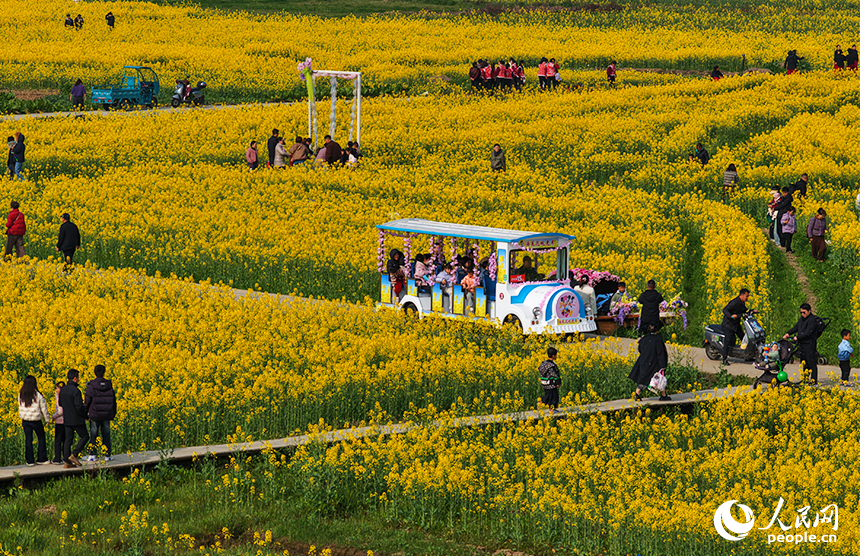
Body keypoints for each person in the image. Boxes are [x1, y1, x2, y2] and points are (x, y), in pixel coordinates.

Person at [628, 322, 671, 401]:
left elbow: (640, 349)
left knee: (642, 378)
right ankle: (663, 395)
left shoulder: (643, 339)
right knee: (659, 379)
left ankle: (637, 393)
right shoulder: (658, 339)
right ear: (656, 330)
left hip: (644, 361)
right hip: (654, 362)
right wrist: (663, 365)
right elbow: (661, 353)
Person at [84, 365, 116, 462]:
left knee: (94, 433)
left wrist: (85, 413)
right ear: (104, 373)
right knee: (106, 433)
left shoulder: (91, 386)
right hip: (106, 414)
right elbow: (113, 401)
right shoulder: (109, 385)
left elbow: (87, 400)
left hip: (94, 414)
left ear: (94, 373)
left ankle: (92, 455)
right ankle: (107, 455)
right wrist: (113, 413)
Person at [784, 303, 821, 383]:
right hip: (802, 344)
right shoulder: (802, 319)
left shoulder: (812, 320)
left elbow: (808, 333)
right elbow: (796, 327)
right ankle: (805, 379)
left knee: (811, 362)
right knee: (804, 362)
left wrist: (798, 337)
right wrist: (788, 333)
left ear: (809, 311)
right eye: (801, 312)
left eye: (804, 312)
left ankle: (814, 381)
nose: (802, 314)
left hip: (809, 344)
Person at [18, 375, 51, 466]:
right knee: (41, 438)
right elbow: (44, 408)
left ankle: (30, 461)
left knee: (28, 439)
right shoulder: (38, 395)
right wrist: (47, 419)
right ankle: (41, 458)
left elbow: (20, 407)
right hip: (36, 421)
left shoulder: (21, 394)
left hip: (25, 421)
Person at [59, 369, 88, 468]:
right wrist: (85, 415)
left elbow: (60, 403)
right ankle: (74, 455)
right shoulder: (76, 390)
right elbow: (79, 407)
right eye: (78, 378)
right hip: (77, 419)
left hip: (67, 419)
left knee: (68, 440)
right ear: (75, 378)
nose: (79, 380)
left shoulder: (63, 389)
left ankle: (67, 462)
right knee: (85, 436)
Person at [721, 288, 750, 366]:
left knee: (744, 338)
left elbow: (744, 311)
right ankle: (724, 359)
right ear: (742, 295)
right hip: (728, 325)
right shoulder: (734, 302)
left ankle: (747, 356)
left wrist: (752, 311)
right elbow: (725, 310)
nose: (747, 298)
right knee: (728, 340)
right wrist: (731, 316)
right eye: (746, 296)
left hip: (736, 325)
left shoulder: (742, 303)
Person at [50, 381, 66, 464]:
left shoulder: (60, 396)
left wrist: (53, 417)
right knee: (65, 440)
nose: (56, 390)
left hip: (60, 421)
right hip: (67, 421)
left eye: (57, 388)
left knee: (58, 440)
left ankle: (57, 458)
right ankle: (65, 457)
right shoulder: (67, 394)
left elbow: (60, 411)